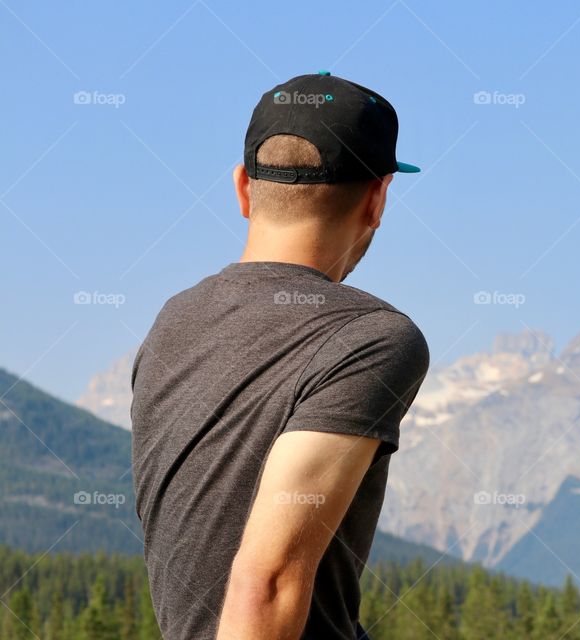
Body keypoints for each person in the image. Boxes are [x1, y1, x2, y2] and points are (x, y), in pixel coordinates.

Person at [130, 71, 430, 640]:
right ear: (377, 198)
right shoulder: (372, 338)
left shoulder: (171, 322)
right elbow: (264, 584)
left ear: (243, 188)